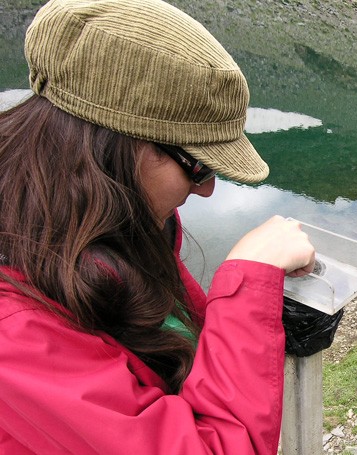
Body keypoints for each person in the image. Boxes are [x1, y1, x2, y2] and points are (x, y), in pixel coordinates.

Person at [0, 0, 315, 453]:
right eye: (199, 166)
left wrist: (260, 326)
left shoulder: (105, 226)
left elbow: (174, 350)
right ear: (117, 145)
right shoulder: (15, 330)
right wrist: (246, 289)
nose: (206, 190)